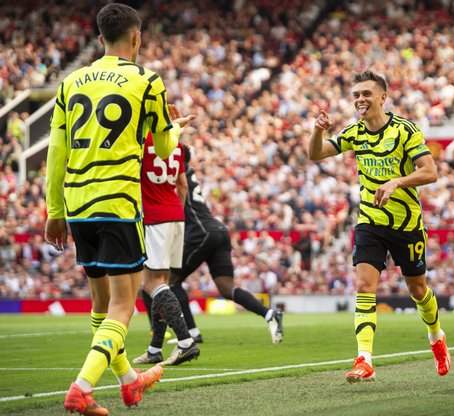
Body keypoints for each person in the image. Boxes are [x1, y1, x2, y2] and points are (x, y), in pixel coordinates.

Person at [44, 3, 194, 414]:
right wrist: (176, 128)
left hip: (77, 204)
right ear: (137, 38)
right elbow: (164, 148)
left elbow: (56, 151)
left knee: (100, 305)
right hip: (118, 202)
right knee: (123, 306)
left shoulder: (71, 82)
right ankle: (81, 387)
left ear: (99, 40)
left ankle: (129, 381)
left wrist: (53, 210)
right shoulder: (148, 80)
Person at [307, 70, 450, 383]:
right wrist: (317, 131)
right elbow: (315, 153)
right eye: (356, 95)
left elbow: (430, 172)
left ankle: (436, 337)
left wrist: (396, 182)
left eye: (366, 94)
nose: (360, 100)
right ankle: (364, 359)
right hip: (370, 220)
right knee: (364, 285)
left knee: (417, 289)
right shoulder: (354, 132)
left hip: (407, 223)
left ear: (383, 97)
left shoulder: (405, 131)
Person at [166, 145, 284, 345]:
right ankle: (269, 313)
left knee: (171, 280)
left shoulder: (175, 172)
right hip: (218, 230)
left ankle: (191, 332)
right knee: (226, 288)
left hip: (201, 231)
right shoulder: (187, 171)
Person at [132, 134, 200, 366]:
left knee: (152, 284)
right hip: (175, 215)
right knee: (159, 284)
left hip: (154, 217)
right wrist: (174, 212)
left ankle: (185, 342)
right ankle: (155, 349)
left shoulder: (140, 142)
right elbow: (182, 185)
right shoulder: (176, 143)